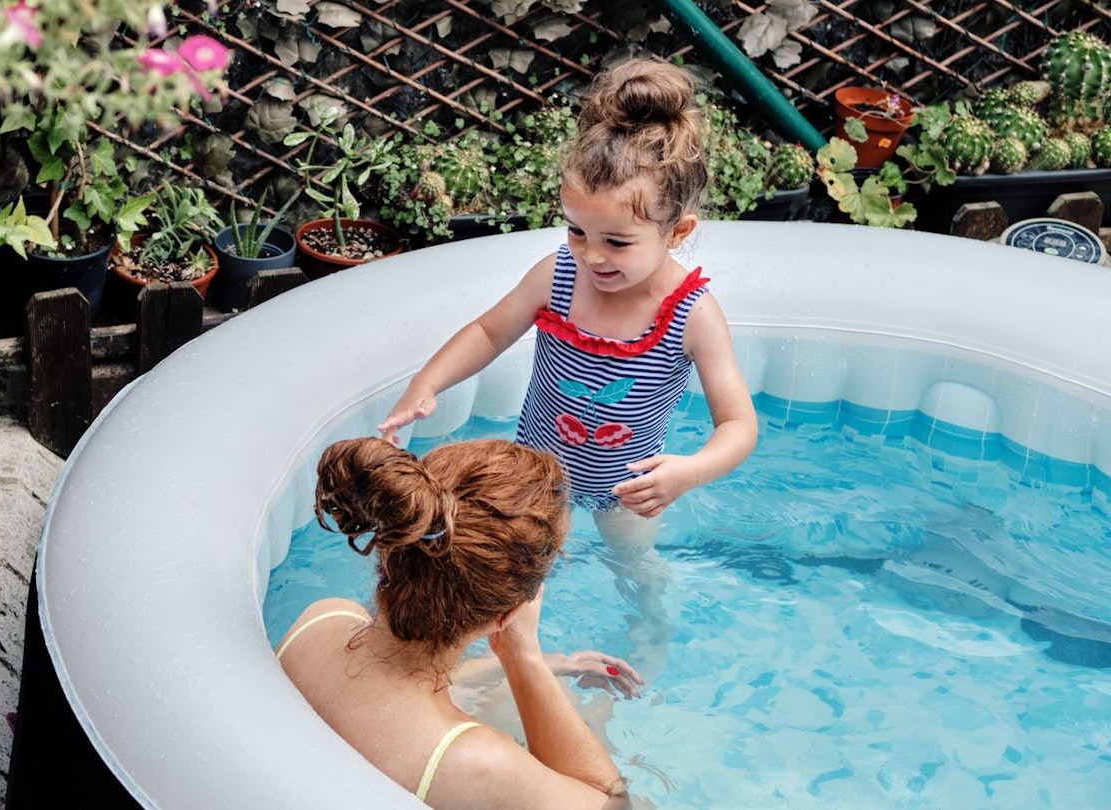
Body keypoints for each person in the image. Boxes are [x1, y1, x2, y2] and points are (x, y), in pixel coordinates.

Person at [378, 57, 757, 547]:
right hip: (535, 477)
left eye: (617, 242)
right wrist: (426, 383)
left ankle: (649, 625)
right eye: (577, 231)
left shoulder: (692, 314)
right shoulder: (559, 275)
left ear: (676, 232)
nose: (592, 255)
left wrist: (688, 472)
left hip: (629, 491)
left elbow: (738, 424)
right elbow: (489, 332)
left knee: (637, 573)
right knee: (520, 569)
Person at [276, 437, 645, 809]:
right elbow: (614, 802)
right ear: (510, 612)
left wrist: (556, 664)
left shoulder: (321, 619)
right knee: (596, 711)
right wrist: (524, 658)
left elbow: (395, 685)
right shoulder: (475, 762)